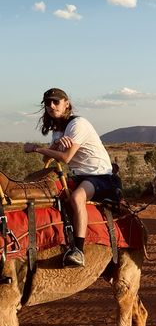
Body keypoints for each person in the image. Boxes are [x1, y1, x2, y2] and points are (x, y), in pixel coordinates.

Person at [23, 88, 119, 267]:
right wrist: (55, 145)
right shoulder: (58, 130)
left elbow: (66, 158)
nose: (52, 106)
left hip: (99, 175)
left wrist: (36, 148)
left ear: (66, 103)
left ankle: (79, 251)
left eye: (56, 102)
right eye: (48, 103)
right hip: (80, 176)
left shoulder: (77, 125)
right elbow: (48, 158)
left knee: (77, 197)